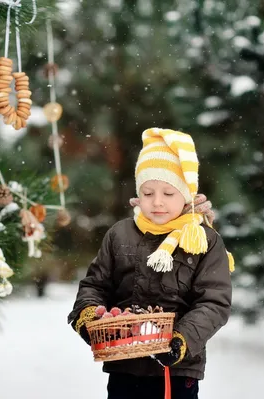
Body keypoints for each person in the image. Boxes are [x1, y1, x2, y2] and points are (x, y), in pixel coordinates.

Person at [67, 128, 233, 399]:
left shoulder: (203, 240)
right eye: (147, 193)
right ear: (137, 194)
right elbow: (95, 285)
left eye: (168, 193)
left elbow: (214, 302)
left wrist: (180, 341)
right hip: (124, 365)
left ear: (186, 194)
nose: (157, 202)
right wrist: (89, 317)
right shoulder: (119, 234)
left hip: (177, 371)